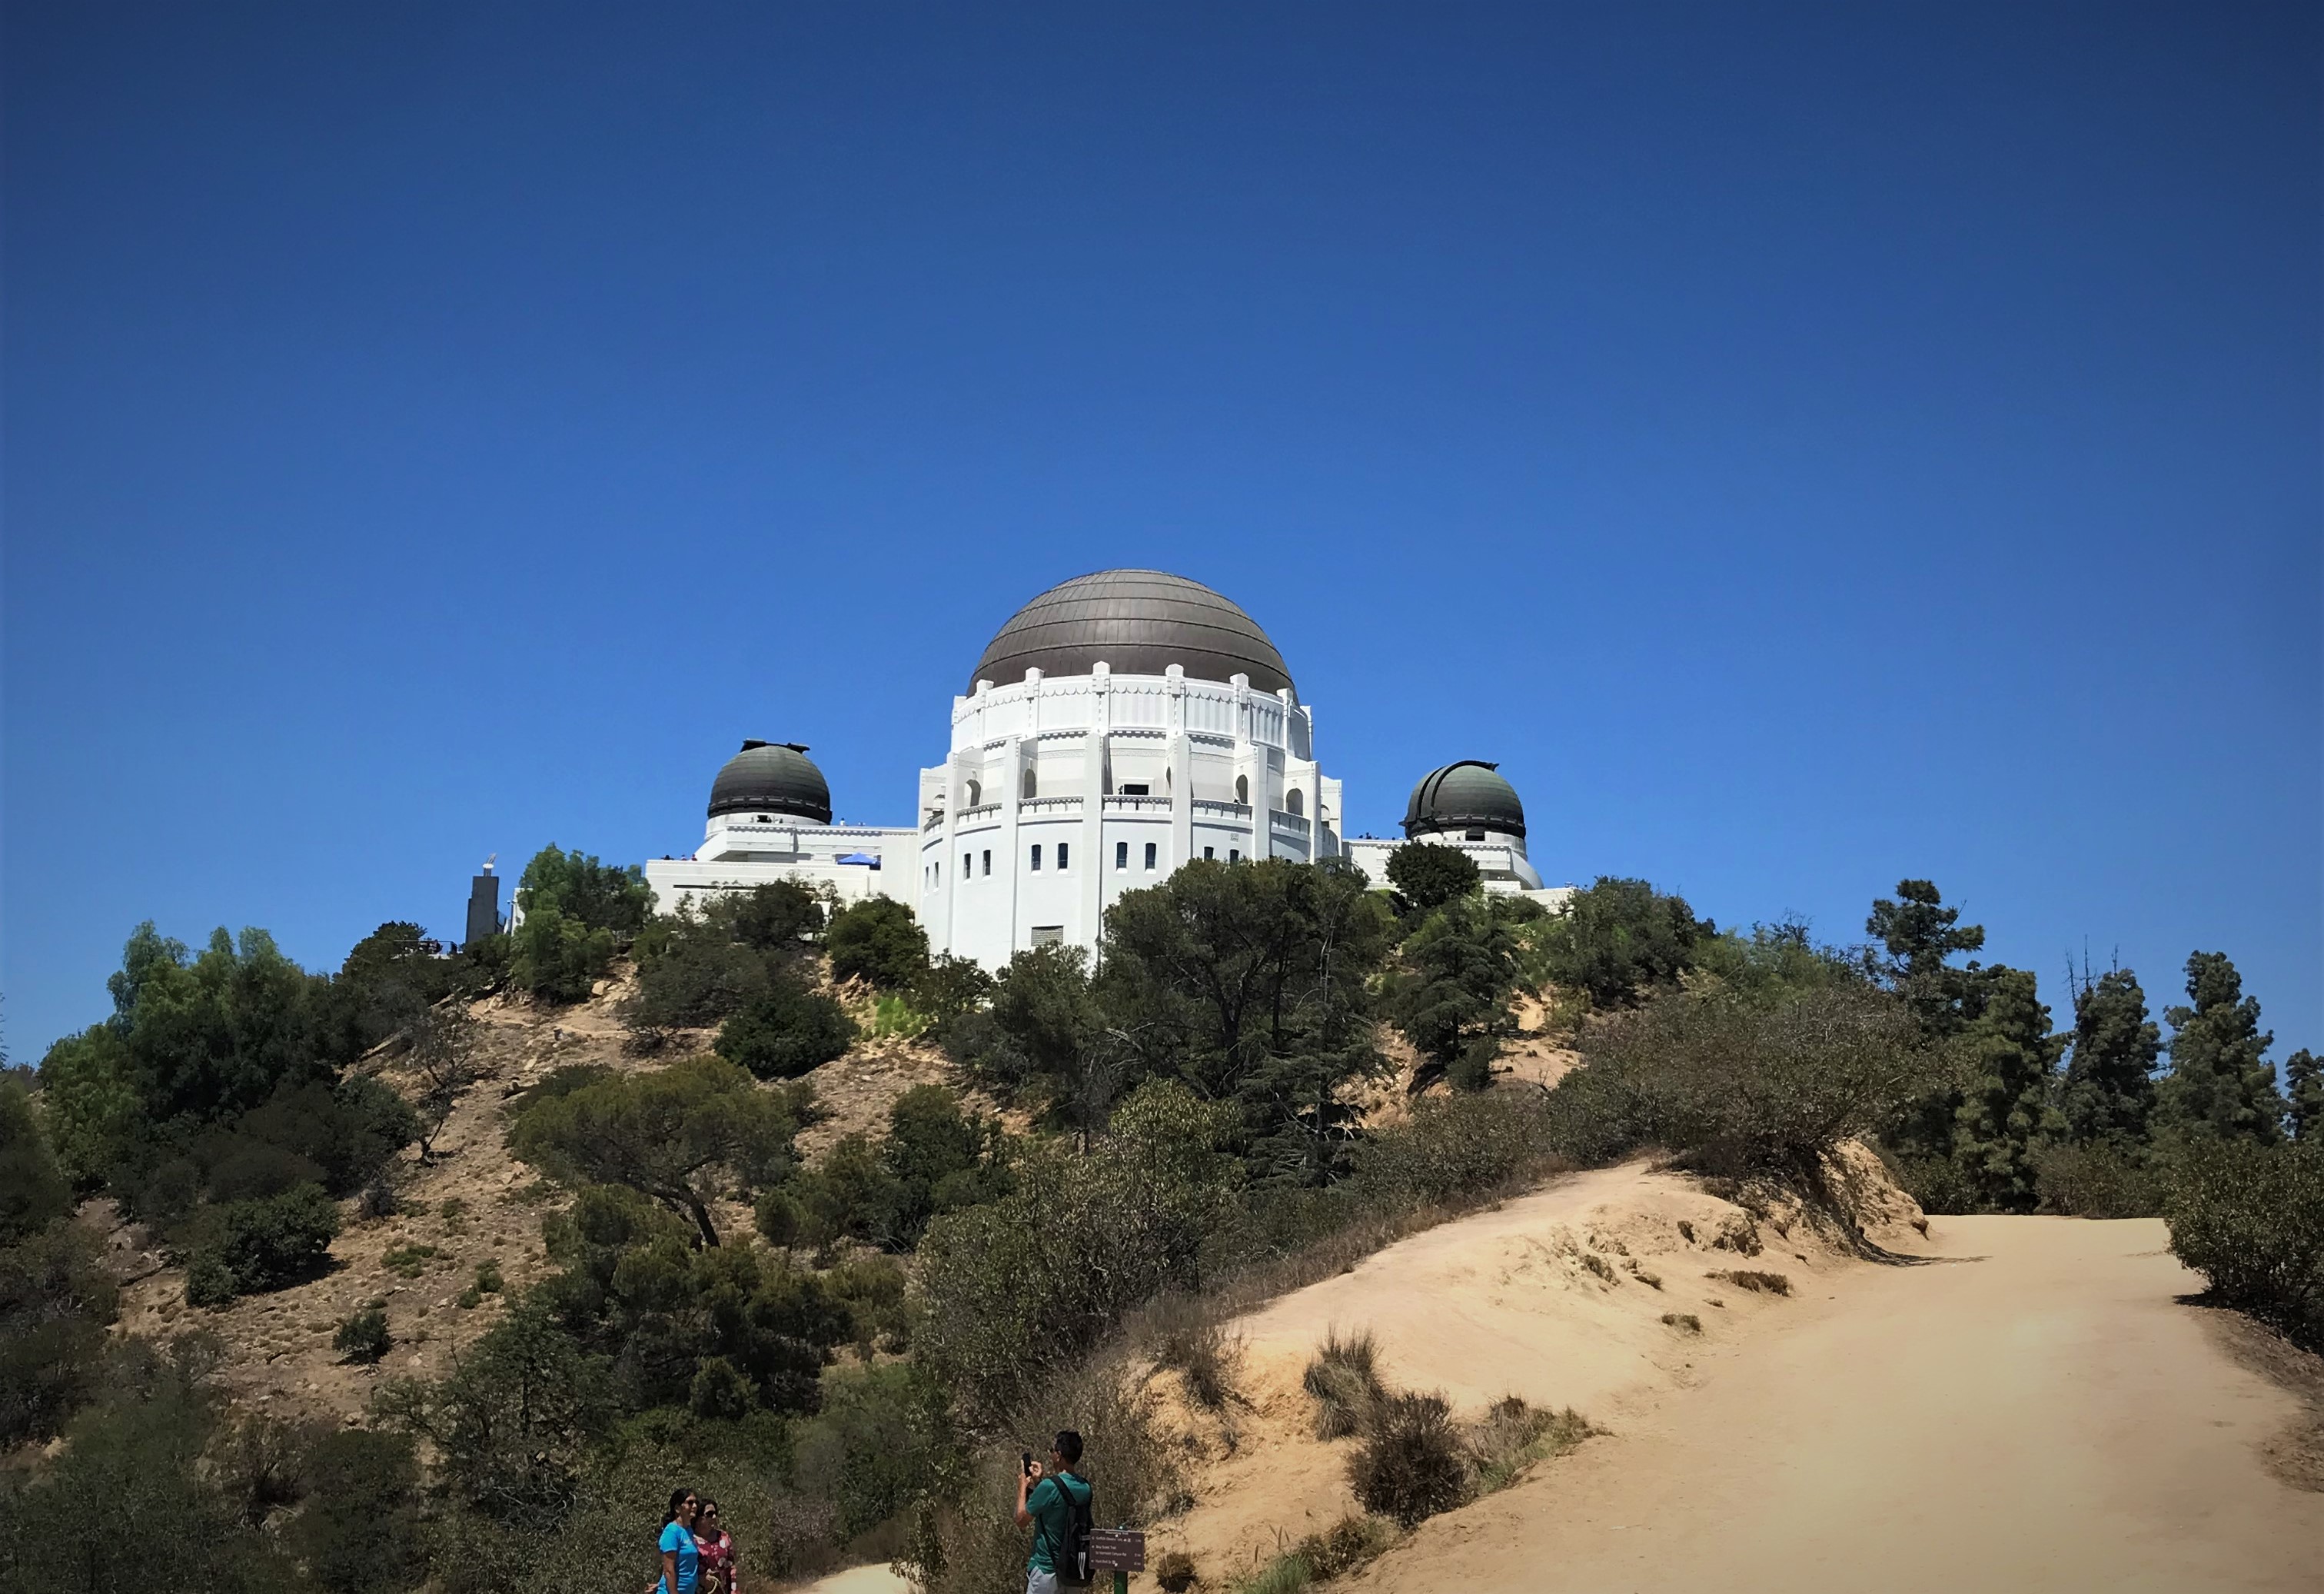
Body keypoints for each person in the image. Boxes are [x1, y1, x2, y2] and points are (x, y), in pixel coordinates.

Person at [1012, 1429, 1092, 1594]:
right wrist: (1039, 1482)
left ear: (1059, 1455)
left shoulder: (1049, 1487)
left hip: (1046, 1570)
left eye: (1052, 1450)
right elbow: (1061, 1503)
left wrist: (1022, 1487)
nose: (1051, 1454)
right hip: (1072, 1571)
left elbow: (1021, 1520)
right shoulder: (1085, 1488)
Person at [657, 1488, 701, 1594]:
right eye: (690, 1503)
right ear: (677, 1508)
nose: (695, 1506)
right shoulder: (672, 1532)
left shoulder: (688, 1531)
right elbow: (668, 1570)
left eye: (696, 1503)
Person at [693, 1497, 738, 1594]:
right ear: (699, 1517)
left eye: (715, 1513)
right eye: (709, 1514)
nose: (714, 1517)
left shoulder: (724, 1537)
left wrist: (734, 1590)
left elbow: (732, 1568)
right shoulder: (689, 1541)